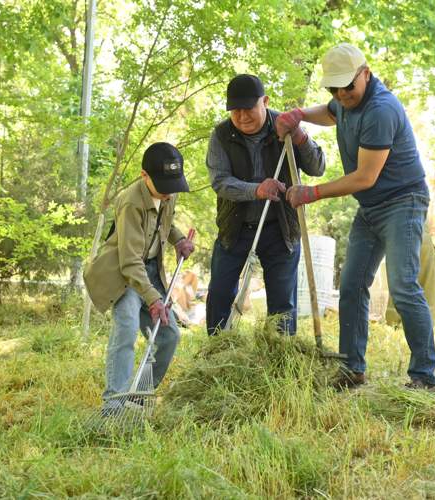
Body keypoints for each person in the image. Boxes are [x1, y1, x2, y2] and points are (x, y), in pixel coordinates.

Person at [277, 43, 435, 391]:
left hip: (403, 202)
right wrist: (300, 114)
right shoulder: (345, 99)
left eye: (348, 86)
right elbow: (332, 112)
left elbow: (365, 177)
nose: (342, 94)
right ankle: (352, 370)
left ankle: (424, 375)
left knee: (403, 286)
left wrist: (312, 193)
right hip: (371, 207)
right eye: (334, 88)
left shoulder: (381, 109)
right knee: (350, 286)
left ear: (365, 73)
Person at [205, 74, 326, 335]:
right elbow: (220, 181)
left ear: (265, 102)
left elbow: (318, 168)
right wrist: (257, 190)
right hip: (235, 227)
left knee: (283, 304)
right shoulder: (221, 135)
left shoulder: (286, 125)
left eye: (248, 108)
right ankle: (216, 355)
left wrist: (299, 135)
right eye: (235, 110)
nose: (242, 116)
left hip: (280, 228)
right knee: (219, 295)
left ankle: (282, 359)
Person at [83, 142, 194, 414]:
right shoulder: (131, 202)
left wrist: (178, 240)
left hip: (151, 272)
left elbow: (163, 223)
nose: (169, 192)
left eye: (173, 184)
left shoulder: (168, 192)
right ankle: (114, 405)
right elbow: (130, 261)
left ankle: (138, 395)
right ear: (145, 176)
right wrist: (154, 299)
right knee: (127, 329)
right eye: (164, 185)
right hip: (125, 274)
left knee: (168, 336)